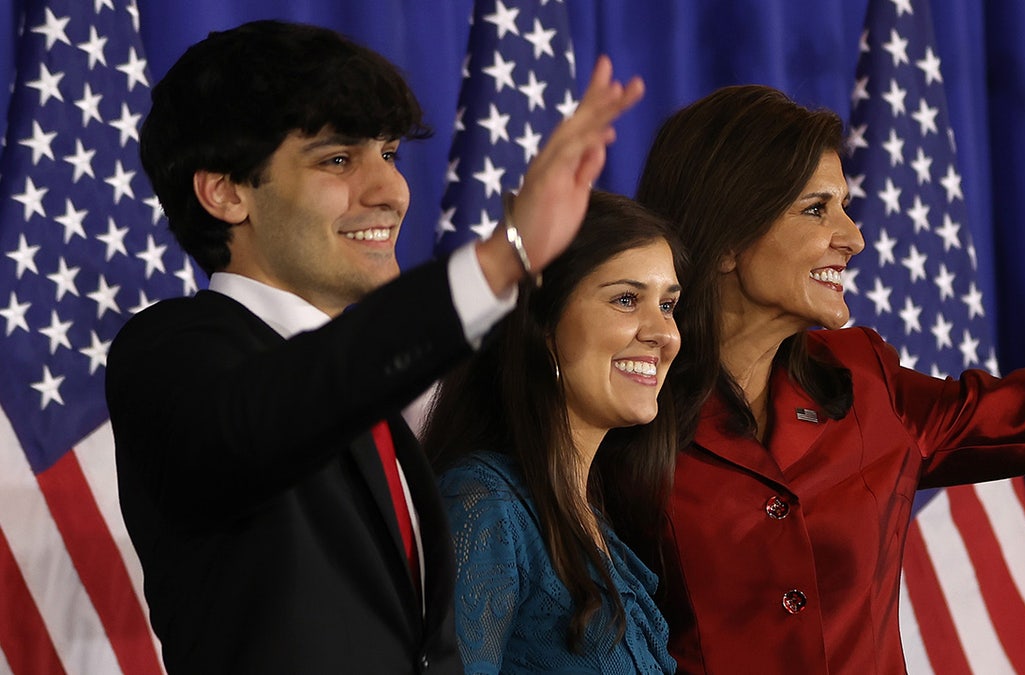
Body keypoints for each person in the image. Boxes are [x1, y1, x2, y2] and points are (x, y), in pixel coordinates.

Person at [630, 44, 1025, 674]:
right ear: (727, 238)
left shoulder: (866, 385)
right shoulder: (623, 406)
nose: (853, 238)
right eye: (817, 210)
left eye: (844, 207)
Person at [105, 20, 643, 675]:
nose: (390, 192)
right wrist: (502, 260)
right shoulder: (169, 355)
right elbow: (281, 409)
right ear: (225, 191)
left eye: (387, 153)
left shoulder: (373, 402)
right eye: (338, 159)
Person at [424, 191, 682, 674]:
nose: (664, 334)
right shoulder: (486, 506)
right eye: (627, 300)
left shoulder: (594, 519)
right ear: (542, 327)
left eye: (668, 305)